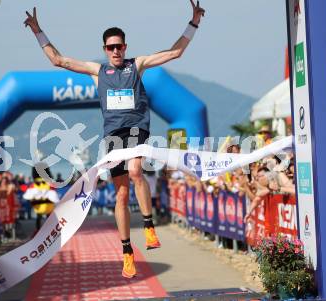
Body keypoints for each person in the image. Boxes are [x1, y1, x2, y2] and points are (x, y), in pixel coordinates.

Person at [24, 0, 205, 278]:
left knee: (135, 171)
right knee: (120, 195)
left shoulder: (137, 65)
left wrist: (193, 22)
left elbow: (175, 52)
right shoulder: (98, 71)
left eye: (119, 46)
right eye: (111, 47)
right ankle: (127, 253)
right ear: (105, 50)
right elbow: (58, 60)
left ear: (125, 47)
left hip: (137, 129)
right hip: (113, 136)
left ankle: (147, 224)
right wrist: (38, 31)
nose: (116, 50)